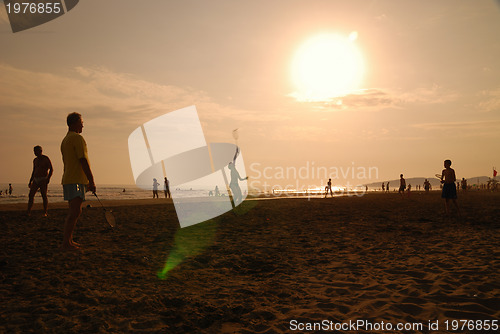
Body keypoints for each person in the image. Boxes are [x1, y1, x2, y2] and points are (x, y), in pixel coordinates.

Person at [61, 112, 96, 251]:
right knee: (75, 212)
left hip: (70, 179)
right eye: (81, 122)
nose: (83, 124)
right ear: (75, 122)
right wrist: (91, 180)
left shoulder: (66, 139)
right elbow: (83, 160)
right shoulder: (77, 138)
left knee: (75, 211)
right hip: (75, 180)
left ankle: (68, 241)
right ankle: (66, 243)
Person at [27, 145, 54, 216]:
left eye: (36, 151)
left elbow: (51, 169)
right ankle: (28, 211)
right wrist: (30, 180)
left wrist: (48, 178)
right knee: (31, 195)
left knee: (44, 195)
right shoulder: (35, 160)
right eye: (34, 151)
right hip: (36, 179)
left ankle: (45, 212)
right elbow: (34, 170)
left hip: (43, 178)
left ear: (40, 151)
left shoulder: (45, 159)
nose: (35, 153)